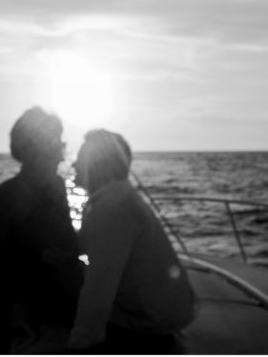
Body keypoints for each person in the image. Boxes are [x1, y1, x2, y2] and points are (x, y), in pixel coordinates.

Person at [68, 129, 197, 351]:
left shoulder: (111, 209)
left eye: (79, 159)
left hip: (148, 329)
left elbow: (98, 292)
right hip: (166, 314)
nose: (73, 166)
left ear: (96, 165)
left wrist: (79, 344)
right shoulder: (119, 199)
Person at [0, 107, 84, 352]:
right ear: (41, 148)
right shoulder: (3, 200)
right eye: (58, 141)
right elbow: (9, 276)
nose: (62, 150)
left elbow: (68, 248)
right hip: (46, 303)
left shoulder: (52, 188)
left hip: (58, 296)